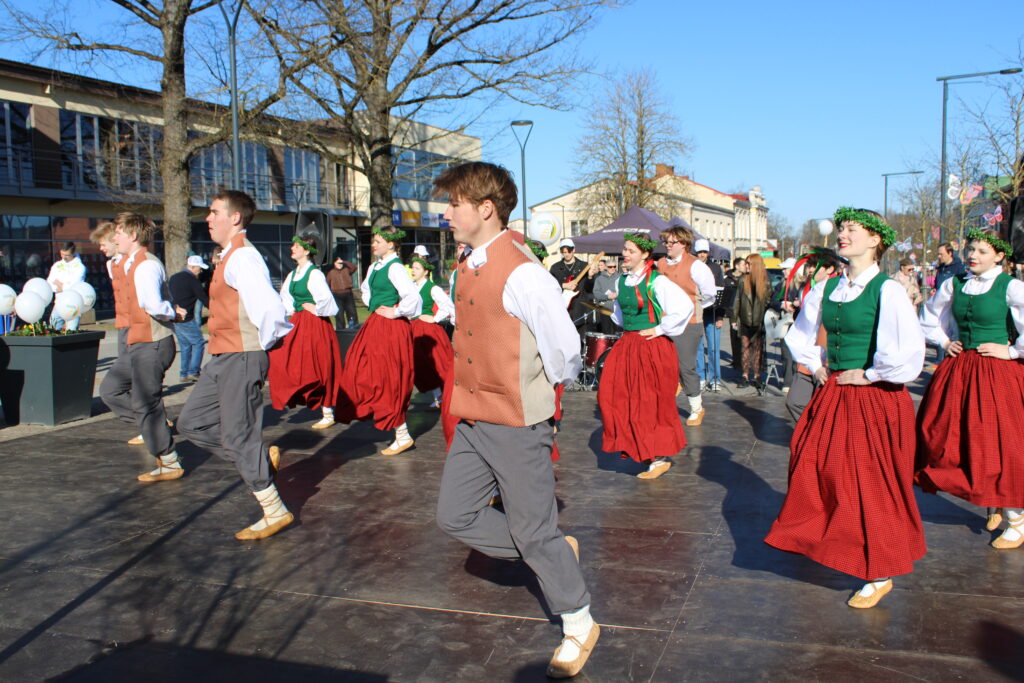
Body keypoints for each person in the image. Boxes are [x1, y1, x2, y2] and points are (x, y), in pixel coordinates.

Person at [432, 162, 597, 679]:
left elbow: (565, 349)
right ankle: (552, 552)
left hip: (517, 419)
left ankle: (579, 621)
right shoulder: (468, 262)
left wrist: (540, 397)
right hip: (473, 417)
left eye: (454, 203)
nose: (446, 213)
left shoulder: (523, 271)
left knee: (533, 530)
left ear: (486, 209)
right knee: (454, 515)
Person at [765, 207, 926, 609]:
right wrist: (817, 363)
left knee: (868, 480)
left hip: (874, 398)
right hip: (835, 392)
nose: (843, 234)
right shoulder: (829, 288)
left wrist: (871, 374)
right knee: (818, 467)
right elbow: (802, 334)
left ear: (875, 240)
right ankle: (838, 543)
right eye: (842, 228)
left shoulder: (887, 290)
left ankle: (879, 570)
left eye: (853, 229)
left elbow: (908, 351)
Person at [176, 190, 295, 540]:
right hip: (223, 356)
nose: (208, 218)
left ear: (235, 217)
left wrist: (259, 346)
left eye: (215, 212)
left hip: (241, 355)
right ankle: (258, 460)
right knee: (191, 422)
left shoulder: (243, 257)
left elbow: (271, 311)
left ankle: (274, 509)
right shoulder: (228, 256)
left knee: (237, 435)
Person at [916, 228, 1024, 549]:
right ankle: (993, 499)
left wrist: (1012, 351)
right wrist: (945, 341)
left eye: (982, 251)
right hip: (961, 370)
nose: (973, 256)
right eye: (971, 249)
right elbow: (929, 316)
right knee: (956, 438)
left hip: (998, 373)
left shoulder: (1010, 286)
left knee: (1002, 441)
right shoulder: (954, 284)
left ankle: (1017, 518)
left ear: (1000, 256)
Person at [600, 231, 692, 479]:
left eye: (631, 251)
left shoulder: (656, 281)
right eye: (625, 249)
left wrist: (659, 328)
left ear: (645, 254)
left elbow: (684, 307)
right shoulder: (621, 281)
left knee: (651, 402)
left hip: (652, 346)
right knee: (614, 395)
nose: (625, 254)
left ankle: (659, 457)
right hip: (629, 344)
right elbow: (620, 315)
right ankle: (639, 446)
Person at [101, 213, 185, 482]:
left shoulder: (146, 265)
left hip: (153, 342)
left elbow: (153, 305)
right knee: (111, 390)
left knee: (146, 402)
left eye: (119, 232)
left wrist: (173, 312)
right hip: (138, 341)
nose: (114, 237)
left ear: (133, 236)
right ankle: (156, 426)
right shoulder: (128, 262)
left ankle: (169, 461)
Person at [336, 226, 421, 455]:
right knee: (361, 371)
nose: (373, 245)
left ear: (391, 244)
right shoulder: (375, 267)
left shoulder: (395, 268)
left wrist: (395, 311)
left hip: (391, 327)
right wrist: (374, 304)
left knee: (388, 377)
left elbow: (413, 298)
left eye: (378, 241)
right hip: (376, 324)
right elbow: (365, 290)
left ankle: (402, 434)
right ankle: (394, 427)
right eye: (373, 241)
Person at [268, 228, 343, 430]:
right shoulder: (293, 274)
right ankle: (301, 394)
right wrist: (290, 311)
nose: (292, 248)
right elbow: (285, 299)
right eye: (293, 245)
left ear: (307, 251)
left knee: (319, 364)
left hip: (315, 324)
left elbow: (328, 303)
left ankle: (328, 412)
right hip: (299, 322)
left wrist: (315, 308)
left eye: (297, 246)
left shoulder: (314, 274)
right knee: (283, 358)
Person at [656, 227, 716, 425]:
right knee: (663, 364)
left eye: (672, 242)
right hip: (664, 322)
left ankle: (696, 408)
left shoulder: (696, 266)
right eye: (666, 242)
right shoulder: (661, 264)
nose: (668, 246)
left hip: (689, 324)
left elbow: (709, 295)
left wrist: (692, 309)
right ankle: (664, 403)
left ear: (683, 244)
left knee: (685, 366)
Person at [781, 247, 843, 421]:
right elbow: (805, 323)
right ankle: (811, 431)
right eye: (809, 265)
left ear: (829, 269)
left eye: (815, 266)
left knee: (824, 407)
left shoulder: (839, 287)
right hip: (809, 351)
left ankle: (816, 433)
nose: (809, 270)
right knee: (795, 401)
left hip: (829, 354)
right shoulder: (810, 288)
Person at [408, 254, 454, 409]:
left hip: (427, 330)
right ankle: (437, 395)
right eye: (413, 268)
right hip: (412, 328)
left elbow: (447, 305)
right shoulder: (410, 287)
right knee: (419, 364)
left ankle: (445, 396)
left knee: (437, 362)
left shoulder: (432, 288)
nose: (413, 271)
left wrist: (434, 318)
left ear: (426, 271)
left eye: (417, 268)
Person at [167, 255, 210, 383]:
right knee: (198, 342)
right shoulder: (193, 280)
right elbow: (203, 298)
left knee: (185, 345)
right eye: (199, 268)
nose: (200, 271)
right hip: (186, 317)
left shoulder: (174, 277)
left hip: (174, 316)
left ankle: (184, 373)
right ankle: (193, 371)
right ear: (192, 267)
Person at [732, 254, 771, 389]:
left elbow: (768, 302)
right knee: (745, 348)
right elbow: (737, 300)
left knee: (757, 349)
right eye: (745, 263)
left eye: (748, 263)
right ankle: (745, 375)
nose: (746, 266)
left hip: (759, 320)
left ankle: (757, 376)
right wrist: (734, 319)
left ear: (755, 265)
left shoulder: (765, 281)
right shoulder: (743, 280)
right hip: (745, 319)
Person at [694, 239, 726, 391]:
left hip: (712, 313)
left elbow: (721, 292)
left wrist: (720, 316)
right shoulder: (692, 267)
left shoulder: (715, 268)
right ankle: (701, 377)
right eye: (699, 252)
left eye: (704, 252)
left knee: (713, 348)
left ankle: (715, 378)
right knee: (698, 348)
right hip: (697, 313)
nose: (702, 255)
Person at [549, 238, 594, 331]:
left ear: (574, 250)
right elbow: (549, 286)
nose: (566, 254)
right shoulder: (555, 267)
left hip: (580, 310)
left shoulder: (584, 266)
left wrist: (590, 277)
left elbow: (589, 289)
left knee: (581, 338)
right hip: (563, 310)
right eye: (563, 252)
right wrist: (563, 285)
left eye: (569, 251)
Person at [47, 241, 86, 330]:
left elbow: (74, 286)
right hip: (59, 302)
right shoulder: (57, 265)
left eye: (67, 255)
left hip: (73, 303)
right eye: (62, 254)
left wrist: (60, 284)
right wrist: (63, 286)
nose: (63, 257)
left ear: (73, 253)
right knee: (53, 326)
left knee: (71, 330)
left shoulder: (80, 267)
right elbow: (50, 282)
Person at [725, 256, 746, 370]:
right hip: (732, 311)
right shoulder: (728, 278)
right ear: (737, 266)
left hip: (744, 311)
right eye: (743, 265)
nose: (745, 266)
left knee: (744, 336)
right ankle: (736, 360)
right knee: (734, 336)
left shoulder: (746, 277)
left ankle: (744, 360)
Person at [326, 255, 358, 330]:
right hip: (337, 295)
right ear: (334, 263)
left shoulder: (346, 270)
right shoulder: (331, 273)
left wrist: (344, 261)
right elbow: (327, 284)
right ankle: (340, 331)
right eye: (338, 263)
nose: (340, 265)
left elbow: (354, 267)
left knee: (352, 313)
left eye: (341, 263)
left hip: (348, 294)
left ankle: (354, 329)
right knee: (339, 315)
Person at [592, 257, 619, 334]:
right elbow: (596, 293)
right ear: (606, 267)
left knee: (618, 332)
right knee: (606, 332)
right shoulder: (599, 279)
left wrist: (617, 294)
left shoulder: (620, 277)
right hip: (605, 308)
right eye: (610, 267)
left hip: (617, 308)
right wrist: (607, 296)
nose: (612, 268)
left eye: (614, 266)